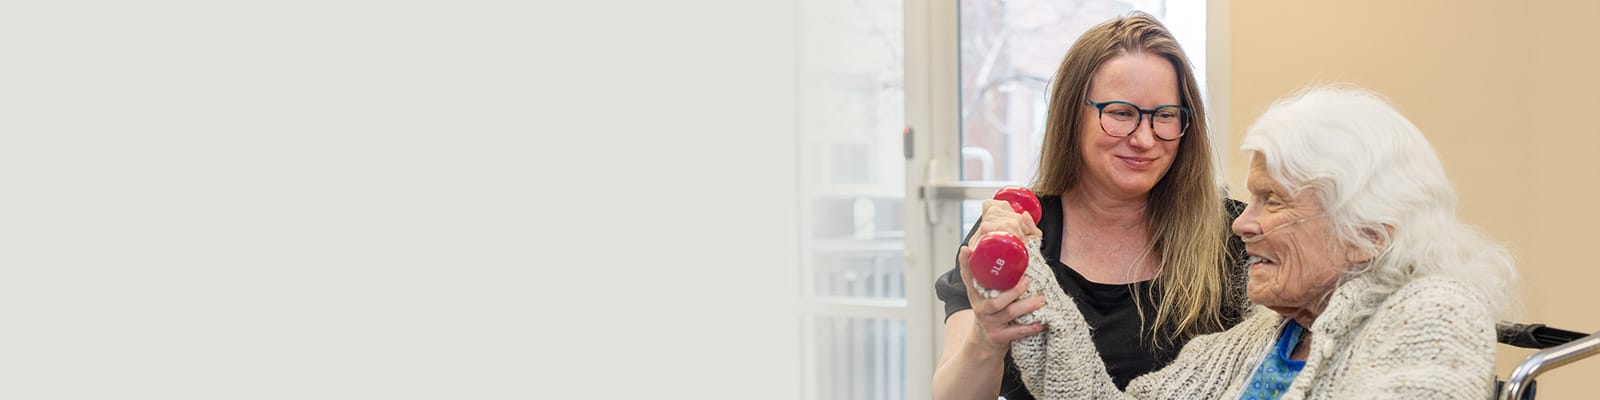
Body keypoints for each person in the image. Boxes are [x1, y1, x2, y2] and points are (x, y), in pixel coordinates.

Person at [984, 85, 1519, 399]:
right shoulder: (1261, 339)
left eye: (1274, 201)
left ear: (1366, 235)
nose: (1242, 223)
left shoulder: (1434, 313)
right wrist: (1025, 264)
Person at [933, 12, 1249, 399]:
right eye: (1121, 114)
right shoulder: (1015, 237)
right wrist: (986, 340)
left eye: (1165, 116)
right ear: (1071, 116)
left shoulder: (1237, 235)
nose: (1145, 139)